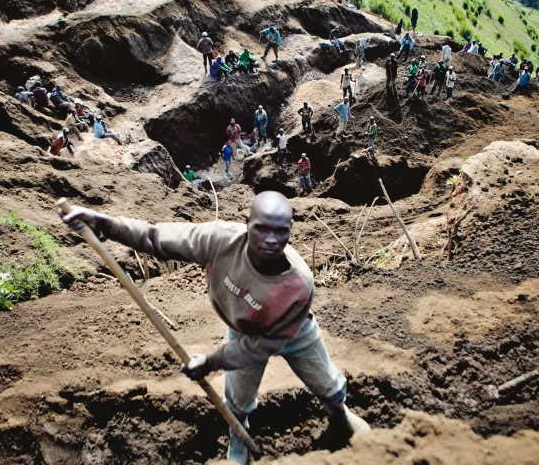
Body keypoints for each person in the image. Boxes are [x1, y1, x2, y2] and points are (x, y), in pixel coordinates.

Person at [60, 192, 369, 463]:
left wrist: (211, 361)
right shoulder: (222, 239)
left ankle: (340, 417)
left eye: (281, 231)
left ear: (291, 231)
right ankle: (239, 439)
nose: (271, 241)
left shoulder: (298, 285)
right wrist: (104, 223)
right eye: (262, 229)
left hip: (292, 330)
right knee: (237, 398)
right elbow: (156, 238)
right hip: (242, 330)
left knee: (327, 383)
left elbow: (260, 347)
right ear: (247, 223)